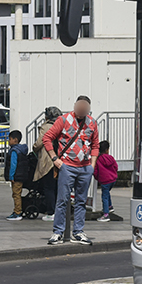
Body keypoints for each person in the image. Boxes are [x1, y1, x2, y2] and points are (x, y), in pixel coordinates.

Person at [42, 95, 100, 246]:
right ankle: (57, 232)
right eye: (79, 107)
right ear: (75, 106)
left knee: (81, 201)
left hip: (85, 167)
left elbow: (95, 145)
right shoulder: (63, 120)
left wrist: (92, 165)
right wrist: (55, 159)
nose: (81, 110)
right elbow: (47, 138)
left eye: (84, 108)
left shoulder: (92, 123)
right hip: (67, 165)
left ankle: (78, 231)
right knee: (62, 200)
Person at [32, 107, 62, 221]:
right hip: (61, 160)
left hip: (49, 160)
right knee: (58, 187)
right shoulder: (62, 125)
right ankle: (59, 211)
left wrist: (34, 148)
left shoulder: (47, 127)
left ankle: (51, 212)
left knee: (48, 187)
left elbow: (40, 143)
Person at [3, 130, 28, 222]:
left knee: (16, 194)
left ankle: (17, 212)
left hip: (16, 177)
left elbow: (13, 165)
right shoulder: (21, 150)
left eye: (10, 139)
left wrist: (11, 176)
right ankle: (18, 211)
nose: (8, 141)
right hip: (21, 175)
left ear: (15, 140)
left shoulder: (14, 151)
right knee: (17, 194)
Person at [94, 140, 119, 221]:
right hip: (113, 180)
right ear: (107, 149)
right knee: (107, 193)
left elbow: (95, 171)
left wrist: (98, 178)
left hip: (104, 181)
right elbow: (116, 166)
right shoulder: (111, 158)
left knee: (104, 196)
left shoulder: (98, 160)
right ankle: (110, 207)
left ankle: (106, 214)